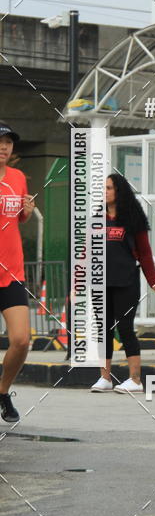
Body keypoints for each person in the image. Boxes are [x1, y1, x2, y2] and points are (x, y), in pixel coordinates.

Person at [91, 174, 155, 394]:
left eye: (109, 188)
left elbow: (144, 253)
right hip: (101, 282)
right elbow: (88, 252)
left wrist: (153, 280)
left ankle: (135, 380)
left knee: (125, 329)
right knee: (103, 329)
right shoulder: (97, 219)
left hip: (126, 282)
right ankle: (105, 378)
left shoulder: (133, 218)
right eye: (103, 188)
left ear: (119, 191)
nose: (105, 191)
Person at [0, 122, 34, 424]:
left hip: (12, 271)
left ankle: (3, 391)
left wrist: (26, 211)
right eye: (0, 141)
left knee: (22, 340)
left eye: (8, 142)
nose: (4, 146)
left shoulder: (18, 177)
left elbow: (18, 219)